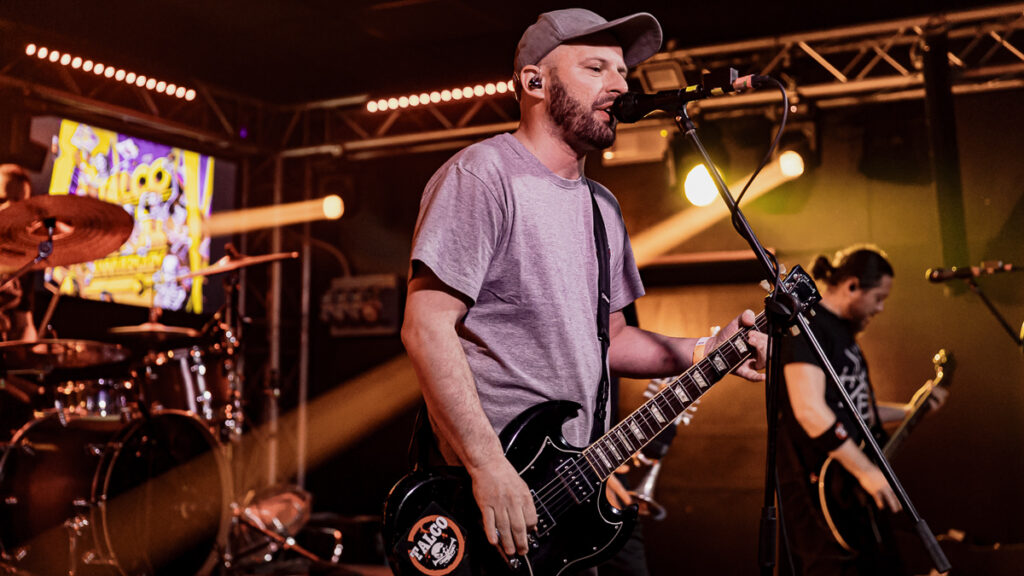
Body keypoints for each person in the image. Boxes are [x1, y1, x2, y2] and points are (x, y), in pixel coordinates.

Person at [400, 7, 768, 569]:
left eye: (622, 72)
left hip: (571, 491)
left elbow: (611, 338)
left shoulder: (602, 208)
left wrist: (702, 351)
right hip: (488, 495)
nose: (620, 85)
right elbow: (426, 328)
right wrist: (487, 465)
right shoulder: (482, 177)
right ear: (534, 82)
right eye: (596, 68)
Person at [777, 245, 948, 575]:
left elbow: (855, 411)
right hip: (820, 489)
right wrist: (866, 470)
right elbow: (809, 410)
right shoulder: (808, 326)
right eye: (879, 297)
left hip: (850, 487)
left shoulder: (842, 333)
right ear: (852, 285)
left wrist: (911, 411)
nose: (880, 308)